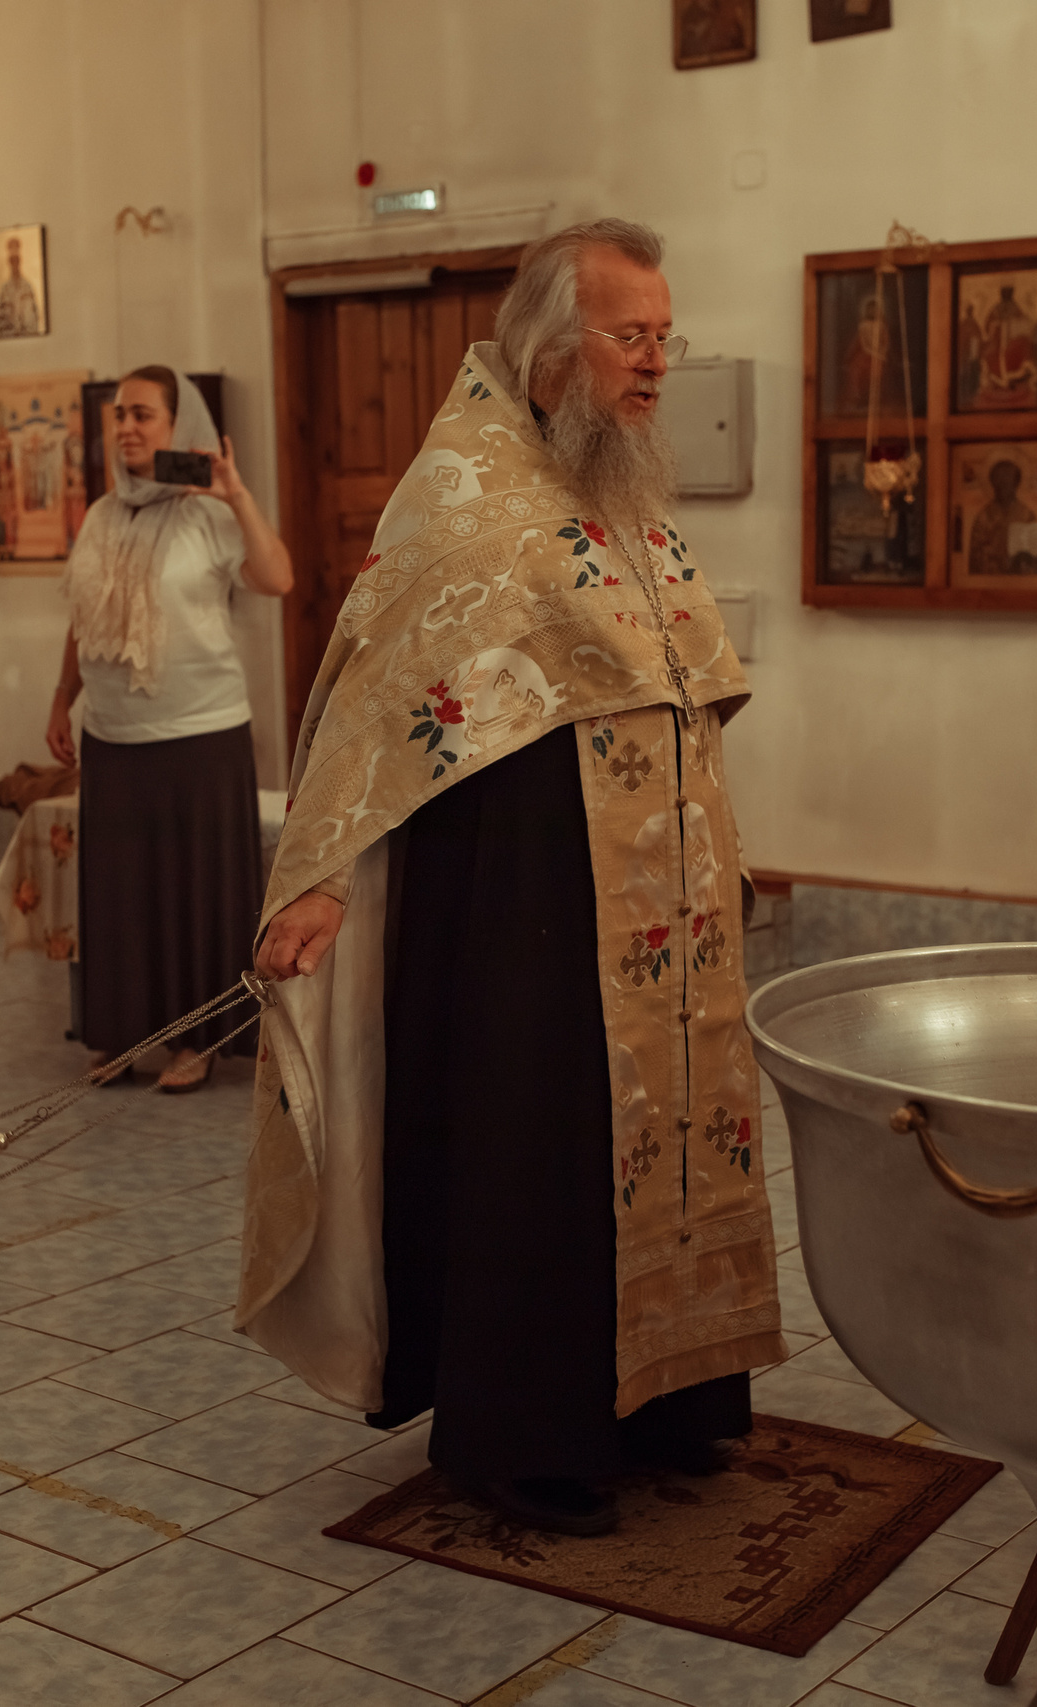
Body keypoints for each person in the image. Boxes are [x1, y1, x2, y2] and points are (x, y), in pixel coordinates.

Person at [238, 219, 781, 1536]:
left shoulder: (620, 494)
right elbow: (375, 699)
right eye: (630, 336)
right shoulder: (462, 496)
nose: (657, 364)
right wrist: (317, 875)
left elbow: (681, 683)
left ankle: (672, 1399)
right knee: (540, 1148)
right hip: (524, 899)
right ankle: (537, 1437)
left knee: (670, 1136)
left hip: (659, 897)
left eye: (666, 336)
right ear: (550, 347)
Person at [43, 368, 292, 1092]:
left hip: (199, 731)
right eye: (120, 413)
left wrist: (235, 493)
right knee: (124, 894)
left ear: (178, 426)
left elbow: (277, 578)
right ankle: (122, 1033)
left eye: (143, 414)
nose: (126, 426)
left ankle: (200, 1039)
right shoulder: (98, 516)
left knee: (197, 894)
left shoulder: (210, 515)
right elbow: (82, 617)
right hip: (114, 734)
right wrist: (63, 698)